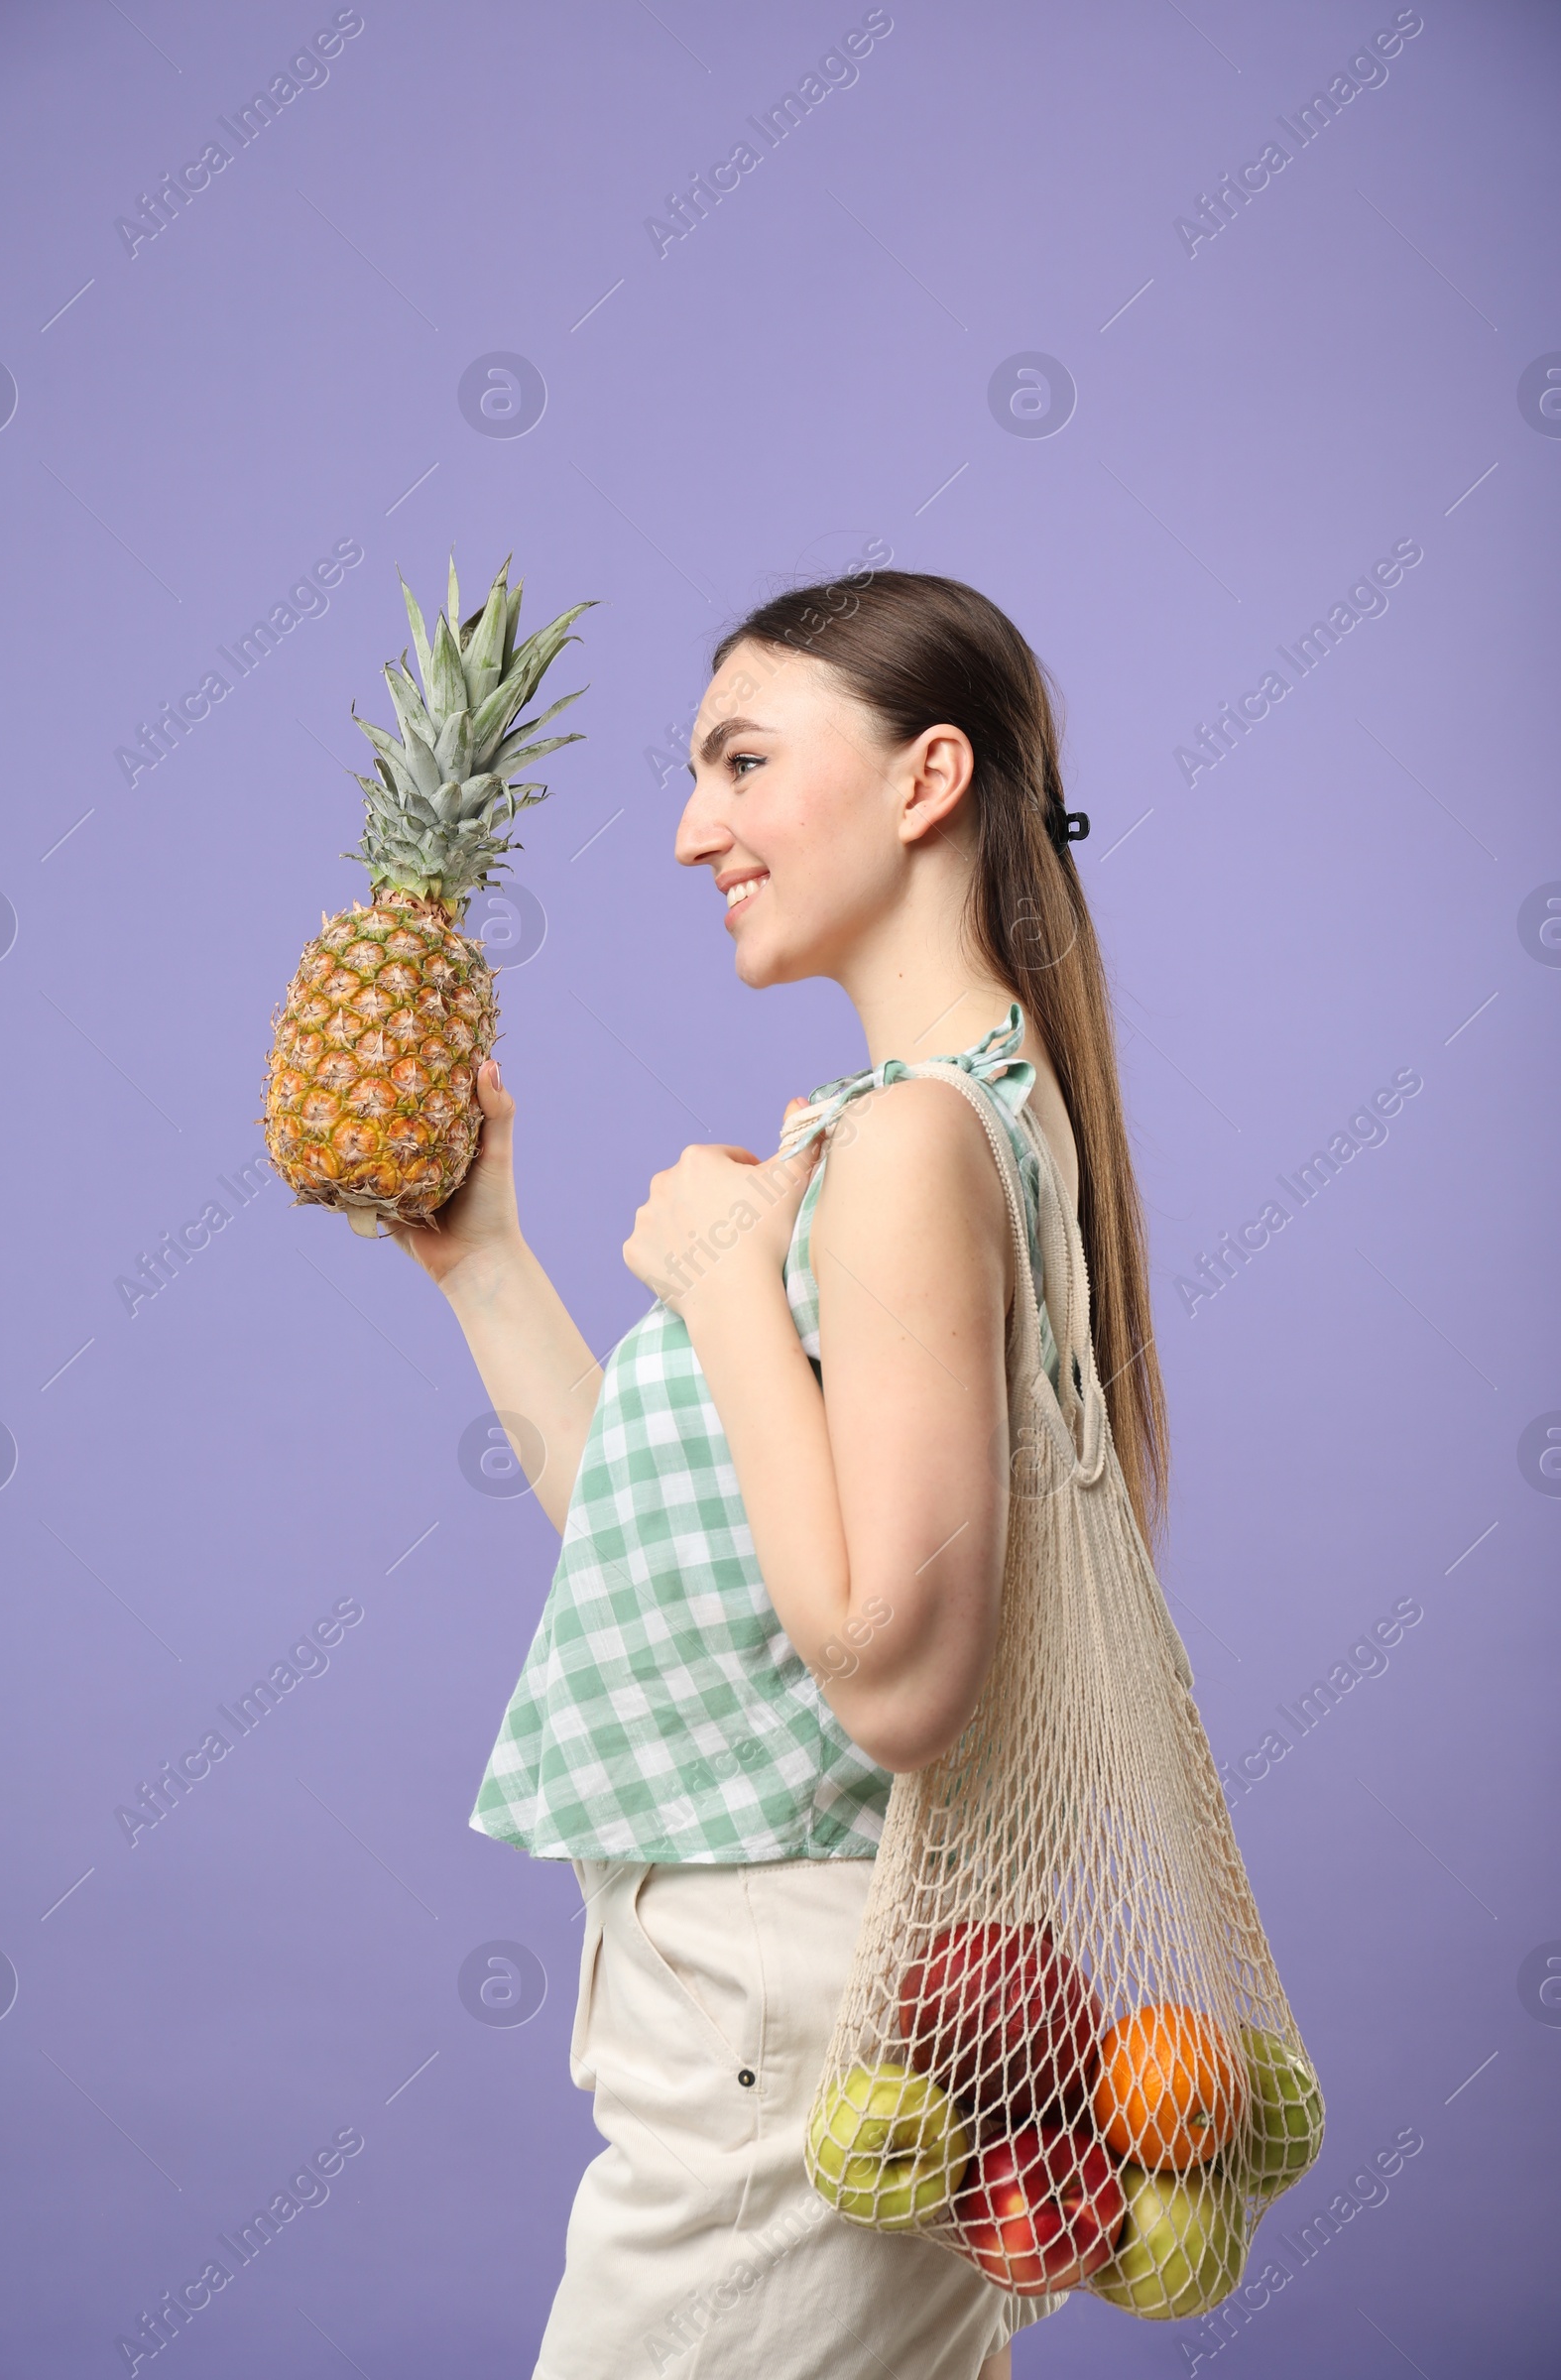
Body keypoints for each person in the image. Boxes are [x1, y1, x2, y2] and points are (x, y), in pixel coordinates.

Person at [391, 571, 1167, 2377]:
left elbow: (892, 1673)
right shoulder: (954, 1112)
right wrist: (488, 1265)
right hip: (824, 2007)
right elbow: (709, 1570)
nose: (689, 831)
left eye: (742, 761)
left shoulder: (902, 1144)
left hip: (784, 2016)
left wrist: (730, 1281)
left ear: (927, 780)